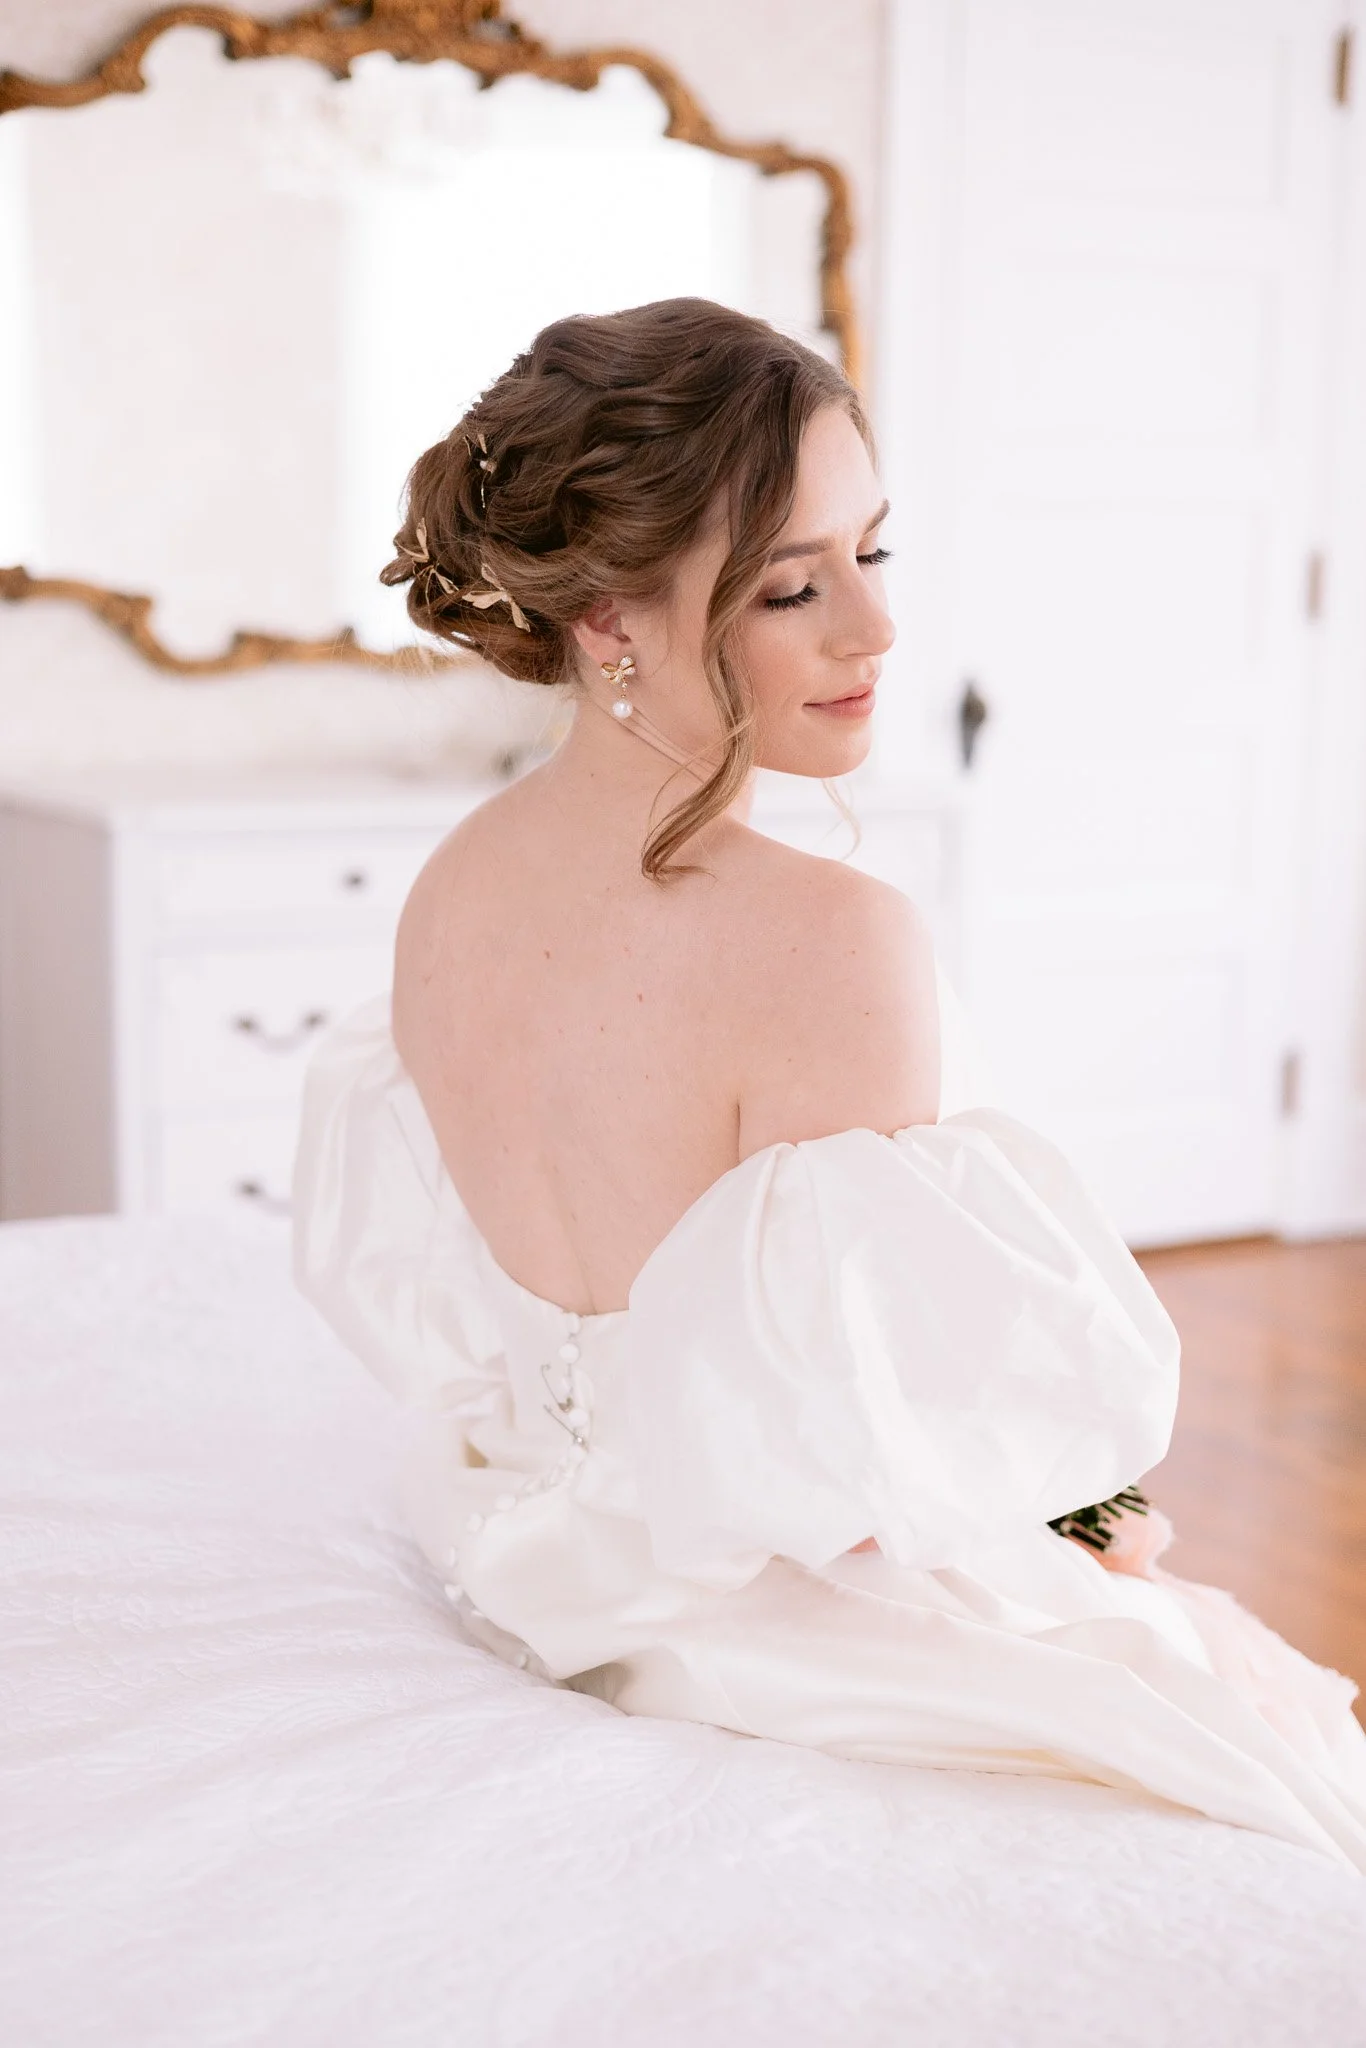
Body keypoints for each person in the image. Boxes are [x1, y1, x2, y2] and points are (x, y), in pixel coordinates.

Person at [293, 297, 1366, 1871]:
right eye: (794, 586)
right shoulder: (829, 940)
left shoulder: (451, 884)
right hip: (760, 1609)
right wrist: (1079, 1524)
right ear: (609, 620)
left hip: (528, 1551)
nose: (872, 630)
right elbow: (859, 1462)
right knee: (1246, 1742)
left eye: (873, 553)